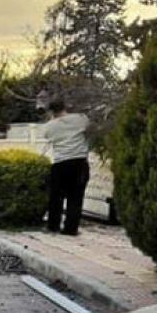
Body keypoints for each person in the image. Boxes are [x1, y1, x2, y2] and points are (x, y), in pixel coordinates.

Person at [43, 100, 90, 236]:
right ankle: (70, 228)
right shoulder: (81, 118)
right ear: (65, 107)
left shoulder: (49, 126)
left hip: (60, 163)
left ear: (51, 111)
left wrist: (52, 119)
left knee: (56, 197)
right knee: (76, 197)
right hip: (79, 162)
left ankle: (53, 226)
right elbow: (88, 129)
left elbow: (47, 136)